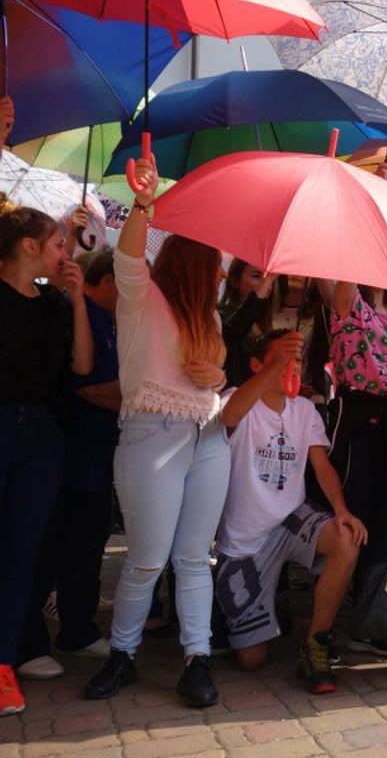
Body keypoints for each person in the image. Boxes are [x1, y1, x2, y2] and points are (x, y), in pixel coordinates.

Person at [85, 156, 230, 709]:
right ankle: (122, 655)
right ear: (197, 261)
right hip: (151, 434)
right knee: (147, 557)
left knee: (194, 556)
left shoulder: (208, 316)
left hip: (207, 436)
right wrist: (143, 203)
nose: (222, 273)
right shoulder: (141, 296)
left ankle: (198, 659)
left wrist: (217, 377)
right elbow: (125, 256)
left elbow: (212, 376)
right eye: (215, 263)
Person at [214, 329, 367, 694]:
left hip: (289, 520)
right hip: (244, 538)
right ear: (256, 365)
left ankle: (316, 644)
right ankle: (251, 613)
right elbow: (228, 416)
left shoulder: (305, 410)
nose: (292, 367)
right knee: (251, 660)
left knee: (347, 538)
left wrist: (342, 510)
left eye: (296, 360)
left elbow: (321, 465)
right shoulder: (238, 399)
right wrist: (275, 365)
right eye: (283, 358)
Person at [0, 193, 93, 717]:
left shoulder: (56, 303)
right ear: (30, 246)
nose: (67, 253)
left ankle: (4, 664)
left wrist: (78, 300)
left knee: (21, 554)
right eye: (59, 243)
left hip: (40, 434)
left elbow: (82, 366)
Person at [19, 252, 118, 681]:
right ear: (110, 279)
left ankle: (77, 629)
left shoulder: (114, 319)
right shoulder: (72, 311)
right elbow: (89, 384)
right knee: (48, 550)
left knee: (87, 546)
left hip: (98, 454)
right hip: (67, 451)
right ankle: (27, 642)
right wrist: (147, 400)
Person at [324, 281, 387, 660]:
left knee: (385, 524)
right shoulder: (349, 300)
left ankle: (371, 620)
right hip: (356, 419)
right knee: (353, 518)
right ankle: (327, 624)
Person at [219, 260, 278, 388]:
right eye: (257, 276)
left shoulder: (264, 323)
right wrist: (268, 279)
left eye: (269, 280)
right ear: (235, 281)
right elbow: (235, 330)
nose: (266, 284)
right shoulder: (220, 314)